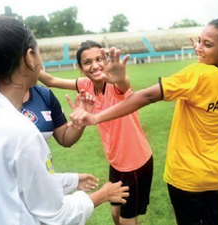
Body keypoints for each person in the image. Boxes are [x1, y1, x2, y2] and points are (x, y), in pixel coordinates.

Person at [67, 18, 218, 225]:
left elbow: (146, 96)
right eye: (199, 42)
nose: (199, 48)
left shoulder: (197, 74)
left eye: (207, 44)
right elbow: (212, 74)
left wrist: (95, 117)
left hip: (187, 176)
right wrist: (207, 52)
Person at [0, 14, 129, 225]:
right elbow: (56, 215)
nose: (41, 60)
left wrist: (71, 180)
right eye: (38, 53)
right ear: (30, 57)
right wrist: (103, 194)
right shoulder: (21, 133)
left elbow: (15, 181)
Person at [39, 41, 154, 225]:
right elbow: (51, 81)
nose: (95, 65)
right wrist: (25, 64)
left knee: (127, 220)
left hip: (135, 163)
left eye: (99, 59)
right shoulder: (86, 85)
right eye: (87, 62)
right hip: (116, 162)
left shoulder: (115, 84)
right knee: (115, 214)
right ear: (81, 68)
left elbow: (123, 84)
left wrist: (121, 77)